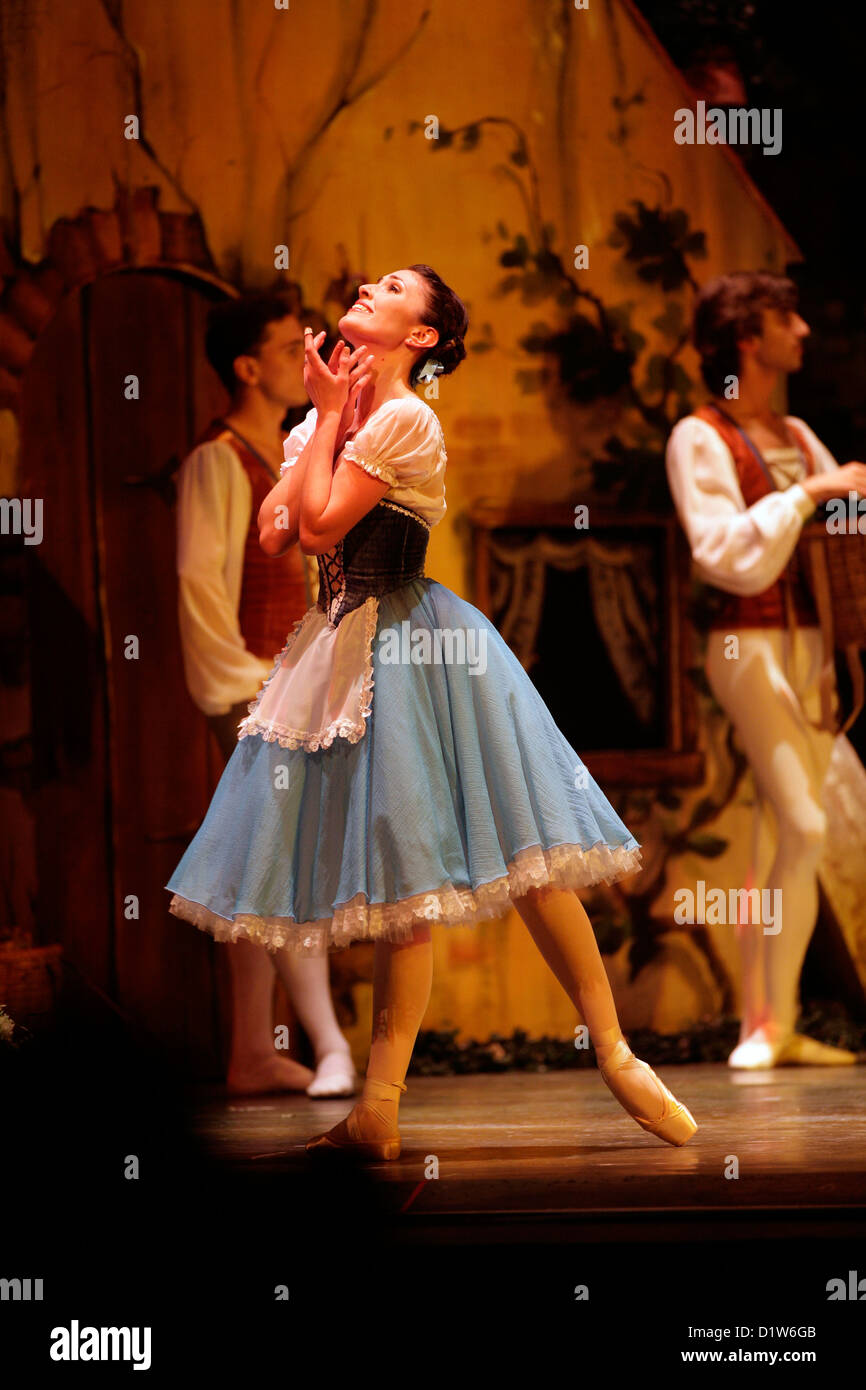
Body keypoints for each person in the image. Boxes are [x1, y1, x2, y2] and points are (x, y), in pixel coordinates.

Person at [166, 263, 697, 1157]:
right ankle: (377, 1107)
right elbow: (272, 530)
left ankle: (613, 1049)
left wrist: (328, 418)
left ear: (421, 335)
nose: (372, 287)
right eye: (374, 281)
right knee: (400, 882)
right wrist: (322, 417)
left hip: (420, 649)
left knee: (528, 858)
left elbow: (324, 525)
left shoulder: (407, 416)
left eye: (395, 287)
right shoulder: (320, 418)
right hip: (339, 646)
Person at [666, 270, 866, 1069]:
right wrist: (807, 495)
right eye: (789, 319)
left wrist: (843, 497)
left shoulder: (797, 431)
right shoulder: (700, 436)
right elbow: (721, 554)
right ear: (750, 337)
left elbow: (837, 520)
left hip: (811, 642)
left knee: (778, 829)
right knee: (806, 823)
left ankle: (769, 1018)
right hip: (747, 643)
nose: (805, 333)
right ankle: (765, 1026)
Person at [175, 291, 357, 1098]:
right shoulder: (219, 460)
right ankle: (330, 1043)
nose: (304, 358)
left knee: (264, 865)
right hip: (254, 689)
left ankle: (253, 1048)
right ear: (248, 368)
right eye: (290, 349)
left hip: (300, 685)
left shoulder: (295, 449)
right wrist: (245, 692)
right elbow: (200, 586)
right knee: (286, 866)